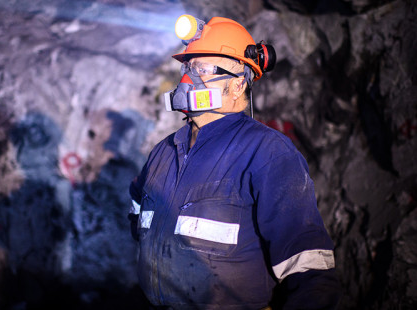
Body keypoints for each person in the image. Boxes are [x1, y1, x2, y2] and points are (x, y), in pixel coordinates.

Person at [128, 15, 340, 310]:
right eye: (188, 67)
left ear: (239, 85)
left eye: (202, 68)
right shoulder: (162, 153)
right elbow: (137, 220)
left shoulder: (268, 153)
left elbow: (309, 270)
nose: (188, 78)